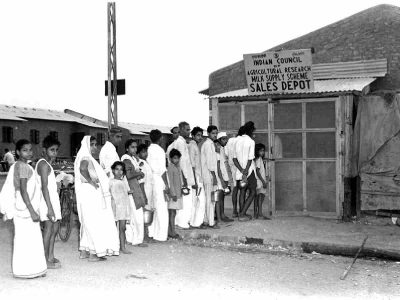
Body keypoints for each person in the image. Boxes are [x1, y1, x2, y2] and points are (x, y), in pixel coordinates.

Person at [0, 139, 47, 278]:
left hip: (21, 206)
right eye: (25, 150)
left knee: (26, 238)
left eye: (30, 150)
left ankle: (29, 270)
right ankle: (27, 270)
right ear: (18, 152)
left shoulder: (19, 165)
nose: (29, 153)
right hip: (25, 208)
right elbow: (23, 190)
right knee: (28, 239)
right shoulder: (23, 167)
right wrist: (32, 211)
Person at [74, 136, 119, 261]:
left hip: (87, 192)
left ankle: (84, 251)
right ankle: (94, 253)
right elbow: (83, 169)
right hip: (90, 193)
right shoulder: (85, 157)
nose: (95, 147)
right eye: (92, 145)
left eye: (95, 144)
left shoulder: (86, 157)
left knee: (87, 221)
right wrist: (92, 182)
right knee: (94, 222)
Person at [37, 135, 62, 269]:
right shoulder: (42, 164)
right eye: (52, 150)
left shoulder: (48, 165)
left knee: (55, 229)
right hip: (47, 202)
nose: (55, 153)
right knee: (48, 229)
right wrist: (49, 208)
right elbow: (44, 187)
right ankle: (43, 259)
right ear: (44, 150)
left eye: (56, 150)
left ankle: (50, 256)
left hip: (53, 199)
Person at [121, 139, 147, 247]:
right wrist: (139, 173)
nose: (135, 149)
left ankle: (131, 238)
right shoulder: (126, 159)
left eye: (136, 147)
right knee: (137, 216)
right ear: (127, 148)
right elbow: (128, 175)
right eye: (132, 147)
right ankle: (138, 240)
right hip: (132, 188)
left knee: (132, 215)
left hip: (134, 187)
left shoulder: (132, 158)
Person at [147, 130, 171, 242]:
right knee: (162, 208)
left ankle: (152, 232)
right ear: (160, 138)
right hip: (159, 179)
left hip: (151, 179)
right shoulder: (160, 150)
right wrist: (166, 185)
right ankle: (161, 235)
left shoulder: (149, 149)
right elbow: (162, 170)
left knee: (154, 206)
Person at [233, 122, 257, 221]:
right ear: (250, 131)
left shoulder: (236, 140)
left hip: (239, 171)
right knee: (252, 191)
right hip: (249, 171)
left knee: (242, 191)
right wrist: (245, 172)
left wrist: (241, 170)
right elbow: (250, 158)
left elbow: (234, 159)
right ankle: (242, 214)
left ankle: (241, 213)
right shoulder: (251, 141)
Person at [174, 121, 195, 229]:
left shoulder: (183, 143)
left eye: (189, 129)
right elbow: (179, 163)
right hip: (183, 177)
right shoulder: (179, 143)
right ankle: (183, 223)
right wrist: (184, 180)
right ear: (181, 130)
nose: (189, 132)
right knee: (185, 202)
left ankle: (181, 222)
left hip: (186, 176)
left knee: (185, 201)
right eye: (187, 130)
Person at [109, 161, 133, 254]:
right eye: (117, 169)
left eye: (121, 170)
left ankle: (122, 247)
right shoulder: (110, 182)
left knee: (122, 228)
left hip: (123, 207)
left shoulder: (123, 182)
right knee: (113, 227)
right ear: (113, 170)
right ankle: (113, 247)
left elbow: (124, 193)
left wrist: (129, 192)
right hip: (114, 206)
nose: (119, 172)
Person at [200, 125, 219, 229]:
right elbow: (210, 163)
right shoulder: (208, 145)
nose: (215, 135)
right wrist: (214, 176)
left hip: (209, 174)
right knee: (210, 199)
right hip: (209, 175)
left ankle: (207, 220)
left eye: (216, 133)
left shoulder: (211, 144)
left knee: (209, 198)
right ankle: (210, 222)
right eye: (213, 133)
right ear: (208, 133)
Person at [188, 126, 206, 228]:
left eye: (201, 135)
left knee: (197, 201)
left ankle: (195, 222)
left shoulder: (195, 146)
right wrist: (194, 180)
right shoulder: (192, 146)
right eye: (198, 135)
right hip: (196, 178)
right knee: (199, 201)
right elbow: (192, 165)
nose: (200, 137)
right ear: (193, 135)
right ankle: (196, 222)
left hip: (198, 177)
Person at [137, 144, 154, 242]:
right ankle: (144, 235)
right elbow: (141, 182)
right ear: (138, 153)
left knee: (147, 212)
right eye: (143, 152)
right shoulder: (141, 164)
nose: (145, 153)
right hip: (144, 191)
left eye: (146, 151)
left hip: (149, 190)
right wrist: (144, 195)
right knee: (144, 213)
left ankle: (146, 234)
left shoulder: (146, 162)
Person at [225, 127, 244, 217]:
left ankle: (234, 211)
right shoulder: (241, 141)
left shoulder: (229, 141)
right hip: (240, 167)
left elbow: (226, 154)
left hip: (232, 167)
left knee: (235, 190)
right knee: (242, 189)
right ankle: (241, 211)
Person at [216, 132, 234, 223]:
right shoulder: (217, 149)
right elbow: (218, 167)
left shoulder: (223, 148)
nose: (225, 140)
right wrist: (222, 180)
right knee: (219, 197)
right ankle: (220, 216)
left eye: (226, 138)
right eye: (223, 139)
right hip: (220, 177)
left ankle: (222, 215)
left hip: (225, 176)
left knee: (222, 196)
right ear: (219, 140)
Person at [167, 149, 185, 239]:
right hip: (173, 195)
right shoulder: (171, 168)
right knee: (172, 213)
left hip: (177, 193)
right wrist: (173, 194)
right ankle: (172, 232)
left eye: (178, 158)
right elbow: (170, 182)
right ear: (170, 158)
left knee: (173, 213)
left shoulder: (177, 167)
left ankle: (172, 230)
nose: (176, 160)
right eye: (174, 158)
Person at [254, 143, 271, 220]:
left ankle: (258, 214)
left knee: (260, 197)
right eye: (260, 151)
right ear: (257, 151)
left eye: (263, 151)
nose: (262, 152)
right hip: (259, 181)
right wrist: (263, 181)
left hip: (260, 180)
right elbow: (257, 171)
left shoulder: (259, 159)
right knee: (261, 197)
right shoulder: (258, 159)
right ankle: (260, 214)